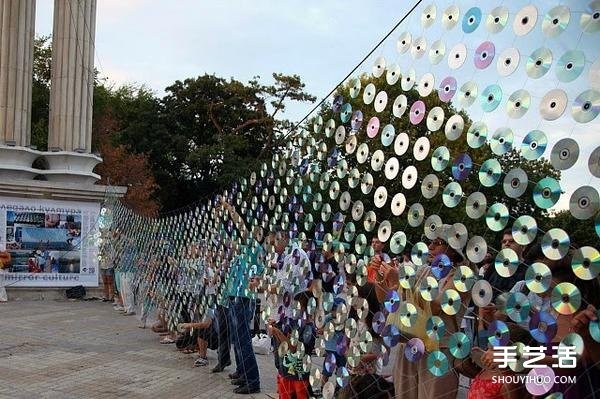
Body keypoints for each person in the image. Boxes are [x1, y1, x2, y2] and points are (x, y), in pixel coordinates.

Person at [389, 224, 472, 399]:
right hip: (411, 343)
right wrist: (384, 277)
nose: (431, 247)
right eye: (430, 242)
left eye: (438, 242)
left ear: (453, 249)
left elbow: (437, 307)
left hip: (439, 350)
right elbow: (393, 299)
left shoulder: (463, 276)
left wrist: (406, 283)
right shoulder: (425, 270)